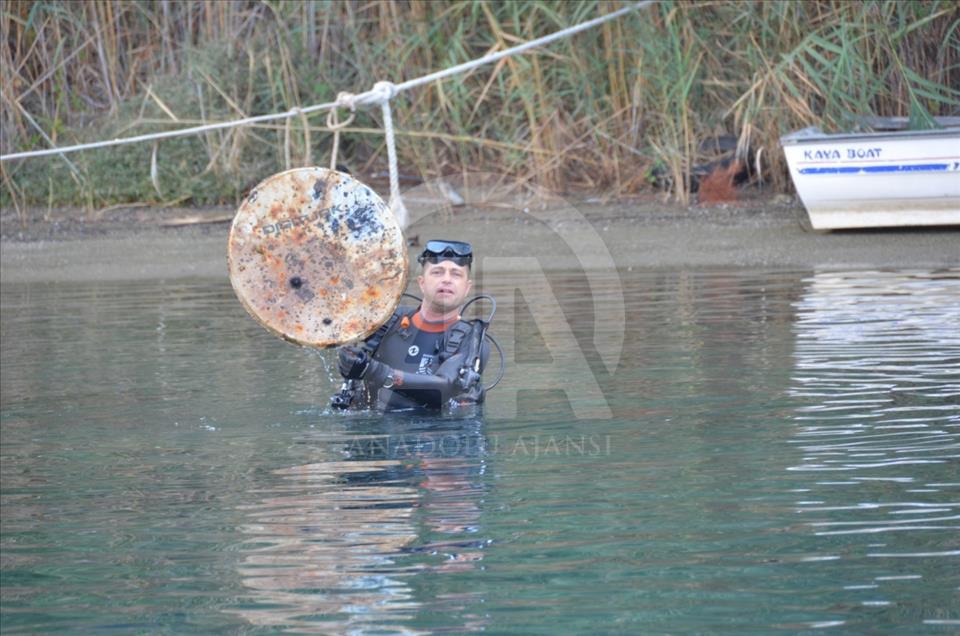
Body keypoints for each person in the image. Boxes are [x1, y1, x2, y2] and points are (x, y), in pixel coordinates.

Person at [332, 239, 492, 413]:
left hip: (436, 435)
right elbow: (337, 328)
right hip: (372, 433)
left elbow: (442, 389)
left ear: (467, 288)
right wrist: (348, 358)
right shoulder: (386, 321)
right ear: (421, 283)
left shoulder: (473, 342)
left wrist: (375, 371)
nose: (446, 279)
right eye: (437, 272)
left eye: (456, 274)